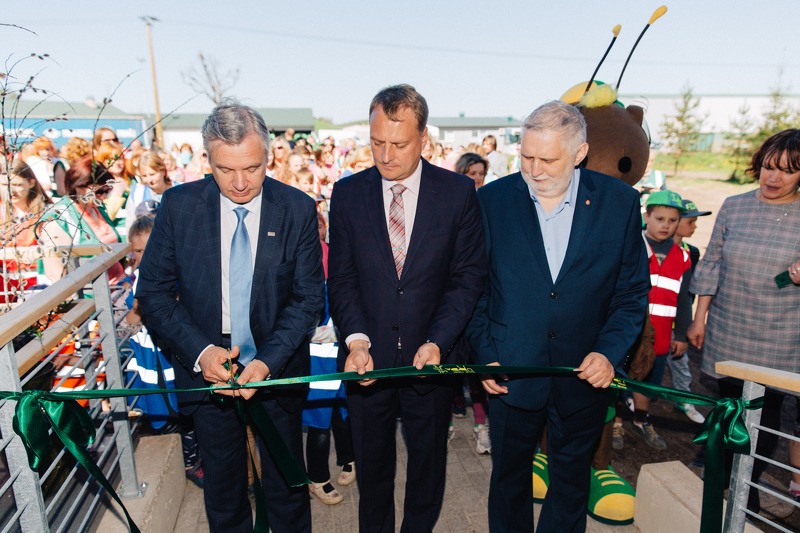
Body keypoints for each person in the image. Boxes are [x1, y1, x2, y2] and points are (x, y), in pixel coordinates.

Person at [136, 99, 324, 533]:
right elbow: (154, 293)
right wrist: (201, 353)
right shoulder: (179, 207)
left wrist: (267, 362)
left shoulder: (295, 208)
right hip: (207, 369)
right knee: (223, 492)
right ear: (207, 160)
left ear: (269, 157)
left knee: (287, 487)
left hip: (275, 367)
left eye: (253, 168)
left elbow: (307, 297)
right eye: (226, 170)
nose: (240, 183)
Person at [466, 100, 649, 533]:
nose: (534, 169)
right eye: (526, 156)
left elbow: (631, 294)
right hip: (511, 372)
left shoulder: (619, 203)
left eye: (548, 159)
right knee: (509, 481)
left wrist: (608, 353)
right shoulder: (492, 200)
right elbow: (473, 289)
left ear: (580, 153)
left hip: (584, 373)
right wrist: (485, 354)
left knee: (570, 484)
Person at [327, 84, 487, 532]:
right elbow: (341, 279)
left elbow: (467, 277)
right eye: (377, 142)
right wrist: (357, 340)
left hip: (431, 360)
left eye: (398, 144)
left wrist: (439, 339)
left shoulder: (457, 194)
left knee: (428, 464)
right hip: (368, 362)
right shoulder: (348, 194)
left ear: (424, 141)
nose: (385, 154)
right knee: (373, 468)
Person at [688, 128, 800, 513]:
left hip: (780, 337)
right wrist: (698, 318)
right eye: (769, 166)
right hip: (728, 328)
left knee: (763, 421)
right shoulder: (734, 206)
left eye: (787, 171)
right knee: (729, 411)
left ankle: (744, 493)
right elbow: (712, 261)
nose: (773, 177)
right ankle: (725, 482)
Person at [122, 216, 204, 488]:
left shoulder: (174, 274)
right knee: (168, 410)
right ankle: (191, 463)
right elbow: (132, 320)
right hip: (154, 359)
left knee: (186, 408)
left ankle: (196, 458)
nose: (144, 257)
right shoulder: (136, 282)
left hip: (174, 354)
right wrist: (139, 307)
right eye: (138, 251)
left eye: (150, 248)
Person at [627, 190, 692, 451]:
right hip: (630, 331)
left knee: (649, 382)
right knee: (620, 379)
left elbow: (685, 298)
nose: (666, 225)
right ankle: (617, 423)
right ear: (647, 217)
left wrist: (682, 334)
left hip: (663, 335)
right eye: (660, 218)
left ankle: (642, 420)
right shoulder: (632, 247)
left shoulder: (684, 257)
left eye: (673, 220)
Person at [303, 211, 355, 505]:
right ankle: (317, 477)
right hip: (317, 355)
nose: (317, 228)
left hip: (344, 349)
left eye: (319, 222)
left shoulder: (337, 254)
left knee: (343, 409)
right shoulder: (301, 261)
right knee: (319, 417)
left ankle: (349, 457)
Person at [36, 156, 124, 284]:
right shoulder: (58, 219)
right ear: (78, 187)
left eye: (107, 190)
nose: (104, 196)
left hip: (119, 287)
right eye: (99, 191)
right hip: (92, 295)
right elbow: (56, 275)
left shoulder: (96, 207)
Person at [668, 197, 712, 424]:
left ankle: (682, 399)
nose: (694, 227)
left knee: (680, 365)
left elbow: (688, 289)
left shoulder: (692, 252)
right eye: (691, 221)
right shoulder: (652, 247)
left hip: (680, 320)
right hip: (656, 319)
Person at [1, 161, 53, 303]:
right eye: (5, 185)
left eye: (17, 185)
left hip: (39, 280)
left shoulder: (47, 213)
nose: (11, 191)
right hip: (6, 280)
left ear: (31, 183)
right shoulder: (1, 214)